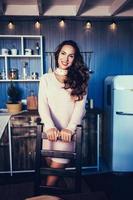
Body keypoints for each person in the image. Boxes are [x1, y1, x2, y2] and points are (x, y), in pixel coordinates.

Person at [38, 40, 89, 186]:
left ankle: (46, 193)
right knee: (50, 165)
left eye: (71, 56)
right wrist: (49, 126)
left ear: (75, 59)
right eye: (63, 53)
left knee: (57, 167)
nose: (66, 59)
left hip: (67, 134)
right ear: (57, 54)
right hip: (50, 133)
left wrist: (70, 128)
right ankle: (56, 189)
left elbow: (80, 108)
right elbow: (43, 105)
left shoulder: (81, 79)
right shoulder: (45, 79)